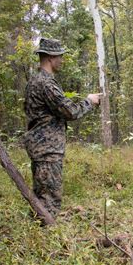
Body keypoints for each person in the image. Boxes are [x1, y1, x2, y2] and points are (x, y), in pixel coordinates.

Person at [23, 38, 101, 218]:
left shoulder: (35, 80)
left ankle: (37, 233)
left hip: (40, 147)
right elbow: (70, 112)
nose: (62, 60)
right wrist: (89, 101)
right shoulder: (46, 83)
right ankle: (45, 237)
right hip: (47, 149)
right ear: (50, 57)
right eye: (60, 56)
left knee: (42, 195)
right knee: (49, 200)